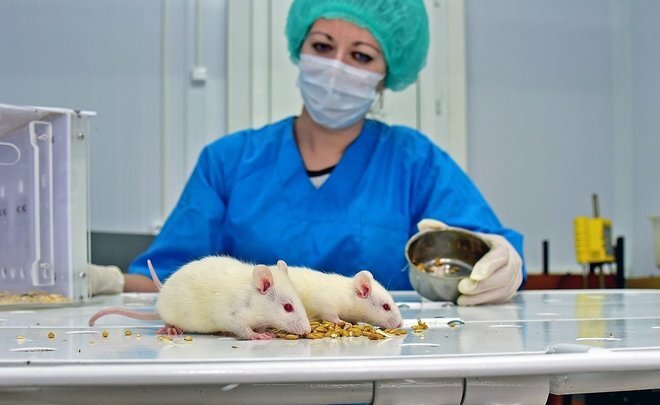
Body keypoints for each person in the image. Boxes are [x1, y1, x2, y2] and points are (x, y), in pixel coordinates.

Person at [90, 0, 524, 306]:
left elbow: (480, 250)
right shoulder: (228, 162)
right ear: (300, 49)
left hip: (383, 378)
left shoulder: (414, 163)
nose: (336, 68)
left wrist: (501, 263)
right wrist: (105, 282)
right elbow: (170, 279)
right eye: (322, 47)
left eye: (361, 56)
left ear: (385, 77)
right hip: (249, 378)